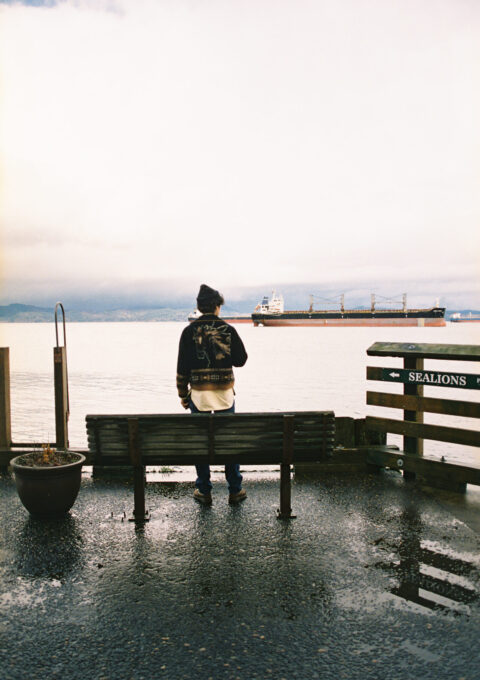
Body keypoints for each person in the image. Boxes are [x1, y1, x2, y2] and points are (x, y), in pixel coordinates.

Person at [176, 284, 248, 505]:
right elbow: (241, 360)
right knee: (229, 442)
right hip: (225, 396)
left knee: (201, 442)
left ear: (199, 307)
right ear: (218, 306)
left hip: (199, 396)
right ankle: (234, 489)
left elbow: (182, 369)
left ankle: (204, 489)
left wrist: (183, 395)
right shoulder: (228, 330)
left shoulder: (189, 332)